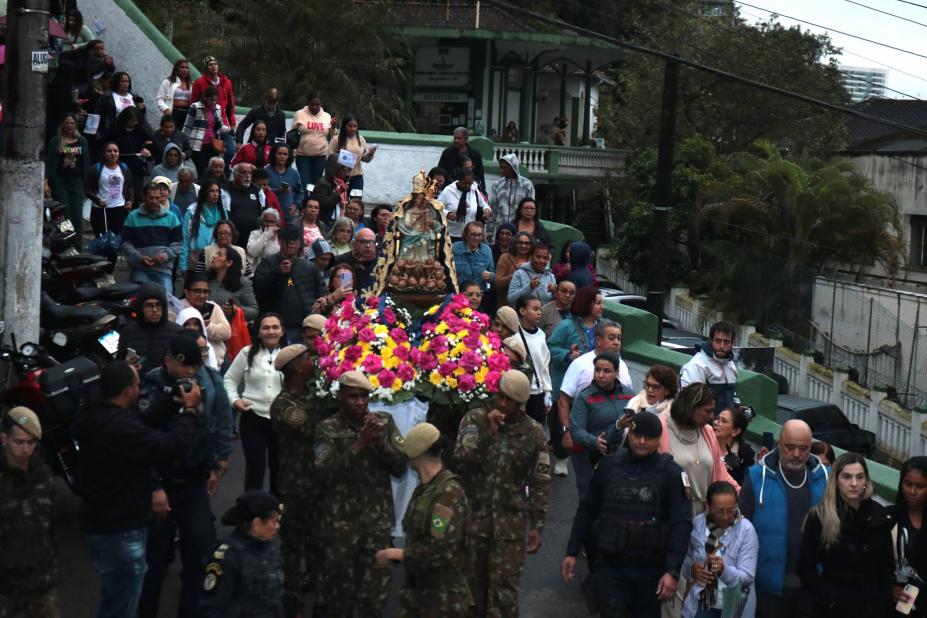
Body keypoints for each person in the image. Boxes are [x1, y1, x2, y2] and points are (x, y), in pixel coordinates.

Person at [72, 360, 199, 618]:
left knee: (114, 597)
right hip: (120, 529)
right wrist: (190, 412)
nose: (140, 388)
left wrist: (168, 402)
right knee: (121, 605)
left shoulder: (95, 415)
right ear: (126, 390)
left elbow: (139, 423)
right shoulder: (118, 427)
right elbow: (166, 445)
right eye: (136, 384)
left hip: (101, 522)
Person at [137, 332, 233, 618]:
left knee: (201, 554)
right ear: (169, 361)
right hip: (161, 485)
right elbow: (143, 440)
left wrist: (211, 467)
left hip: (193, 483)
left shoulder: (204, 381)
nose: (191, 374)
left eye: (194, 367)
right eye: (185, 368)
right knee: (154, 562)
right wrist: (154, 486)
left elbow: (208, 426)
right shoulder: (152, 384)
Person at [561, 411, 692, 618]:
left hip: (650, 571)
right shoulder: (607, 467)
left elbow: (681, 524)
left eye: (648, 438)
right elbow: (587, 511)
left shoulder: (672, 474)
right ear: (629, 434)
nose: (641, 441)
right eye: (637, 435)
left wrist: (672, 571)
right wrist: (572, 551)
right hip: (611, 567)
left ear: (659, 440)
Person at [453, 370, 551, 618]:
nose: (503, 404)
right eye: (501, 397)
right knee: (469, 592)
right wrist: (488, 434)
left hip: (509, 526)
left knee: (503, 595)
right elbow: (462, 460)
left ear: (522, 404)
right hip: (472, 522)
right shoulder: (474, 420)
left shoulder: (533, 432)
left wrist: (537, 523)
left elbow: (540, 480)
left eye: (511, 401)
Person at [312, 371, 408, 616]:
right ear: (339, 396)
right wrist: (360, 444)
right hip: (341, 524)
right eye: (353, 397)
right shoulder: (327, 429)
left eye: (364, 397)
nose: (360, 403)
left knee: (374, 597)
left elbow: (400, 467)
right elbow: (325, 475)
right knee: (338, 596)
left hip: (376, 523)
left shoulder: (384, 423)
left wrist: (380, 443)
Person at [375, 423, 471, 617]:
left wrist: (397, 553)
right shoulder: (426, 489)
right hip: (420, 593)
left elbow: (441, 550)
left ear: (415, 454)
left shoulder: (447, 493)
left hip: (441, 600)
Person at [738, 419, 827, 618]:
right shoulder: (755, 478)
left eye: (803, 449)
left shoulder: (825, 480)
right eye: (790, 447)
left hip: (811, 586)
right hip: (766, 587)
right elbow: (739, 529)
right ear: (779, 444)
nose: (796, 454)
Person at [798, 453, 893, 618]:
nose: (854, 483)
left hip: (871, 607)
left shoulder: (879, 515)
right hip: (834, 608)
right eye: (847, 477)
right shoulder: (820, 516)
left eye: (860, 477)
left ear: (866, 480)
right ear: (836, 480)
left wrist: (882, 600)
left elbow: (886, 567)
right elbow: (805, 567)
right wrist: (829, 600)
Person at [269, 345, 325, 613]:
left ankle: (315, 582)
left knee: (320, 538)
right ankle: (291, 595)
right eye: (307, 359)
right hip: (296, 483)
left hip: (320, 480)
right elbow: (309, 426)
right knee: (293, 542)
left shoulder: (315, 393)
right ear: (295, 367)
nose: (313, 361)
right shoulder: (283, 404)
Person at [0, 408, 60, 618]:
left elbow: (50, 524)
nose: (25, 449)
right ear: (4, 438)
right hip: (5, 587)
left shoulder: (43, 476)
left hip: (41, 581)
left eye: (31, 442)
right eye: (19, 442)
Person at [224, 313, 285, 493]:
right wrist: (234, 400)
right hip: (253, 418)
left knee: (279, 469)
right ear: (258, 332)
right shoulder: (246, 353)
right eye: (265, 328)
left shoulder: (290, 354)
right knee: (255, 469)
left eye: (275, 327)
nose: (271, 331)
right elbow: (229, 379)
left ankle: (276, 514)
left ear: (282, 331)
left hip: (281, 419)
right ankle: (252, 516)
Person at [198, 490, 284, 617]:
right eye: (274, 521)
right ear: (257, 524)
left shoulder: (269, 548)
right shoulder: (227, 559)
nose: (277, 526)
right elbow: (211, 609)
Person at [681, 481, 759, 618]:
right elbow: (687, 560)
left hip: (732, 607)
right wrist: (693, 570)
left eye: (731, 510)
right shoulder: (697, 524)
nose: (725, 516)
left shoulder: (746, 530)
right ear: (708, 507)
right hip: (701, 603)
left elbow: (747, 577)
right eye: (719, 511)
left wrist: (724, 570)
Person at [660, 384, 739, 517]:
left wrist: (741, 492)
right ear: (691, 408)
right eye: (708, 411)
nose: (712, 416)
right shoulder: (661, 429)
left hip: (703, 518)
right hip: (672, 516)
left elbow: (720, 473)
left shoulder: (708, 432)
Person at [569, 352, 632, 494]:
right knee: (590, 498)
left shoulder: (629, 395)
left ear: (617, 372)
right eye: (597, 370)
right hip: (590, 458)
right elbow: (576, 429)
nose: (600, 375)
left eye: (607, 371)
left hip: (621, 457)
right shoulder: (585, 397)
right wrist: (594, 442)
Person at [253, 226, 328, 343]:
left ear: (299, 244)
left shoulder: (309, 266)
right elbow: (258, 289)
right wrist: (277, 272)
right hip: (276, 326)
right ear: (280, 242)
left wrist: (323, 299)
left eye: (295, 242)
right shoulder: (267, 263)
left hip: (304, 324)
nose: (292, 245)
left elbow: (322, 290)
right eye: (288, 242)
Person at [121, 182, 182, 290]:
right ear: (144, 197)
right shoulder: (133, 217)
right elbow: (126, 243)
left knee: (167, 301)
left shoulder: (171, 217)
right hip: (140, 268)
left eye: (157, 198)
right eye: (151, 198)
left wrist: (165, 255)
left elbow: (178, 243)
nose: (154, 201)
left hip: (163, 269)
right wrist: (138, 257)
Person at [117, 283, 184, 375]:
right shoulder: (128, 332)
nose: (155, 309)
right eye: (149, 305)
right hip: (137, 384)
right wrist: (127, 365)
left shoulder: (178, 332)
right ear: (141, 308)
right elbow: (118, 364)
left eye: (158, 304)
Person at [46, 114, 90, 246]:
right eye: (67, 123)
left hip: (76, 181)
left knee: (76, 214)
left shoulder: (82, 141)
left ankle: (77, 245)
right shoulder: (55, 141)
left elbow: (86, 164)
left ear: (75, 125)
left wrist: (87, 184)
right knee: (64, 213)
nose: (69, 126)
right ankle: (66, 242)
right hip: (60, 181)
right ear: (62, 125)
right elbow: (50, 164)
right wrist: (46, 182)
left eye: (72, 123)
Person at [893, 457, 927, 617]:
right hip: (898, 605)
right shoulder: (888, 519)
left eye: (920, 486)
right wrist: (890, 588)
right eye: (908, 484)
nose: (912, 491)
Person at [680, 320, 739, 414]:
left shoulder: (730, 364)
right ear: (711, 340)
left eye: (726, 342)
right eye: (718, 341)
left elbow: (730, 394)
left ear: (733, 343)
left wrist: (737, 408)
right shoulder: (697, 365)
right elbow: (691, 402)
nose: (722, 346)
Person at [515, 295, 553, 426]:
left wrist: (547, 393)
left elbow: (544, 366)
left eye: (540, 309)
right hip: (518, 392)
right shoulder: (514, 334)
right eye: (535, 309)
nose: (539, 313)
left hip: (537, 393)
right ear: (522, 311)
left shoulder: (541, 335)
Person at [179, 272, 232, 365]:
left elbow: (226, 332)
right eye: (197, 291)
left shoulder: (213, 306)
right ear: (186, 292)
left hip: (218, 359)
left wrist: (204, 327)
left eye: (205, 291)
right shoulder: (177, 308)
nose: (202, 295)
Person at [190, 56, 237, 160]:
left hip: (223, 122)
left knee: (230, 150)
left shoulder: (226, 82)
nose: (213, 66)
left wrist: (232, 123)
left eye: (215, 64)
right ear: (206, 67)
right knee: (210, 153)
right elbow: (194, 103)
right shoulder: (199, 83)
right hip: (207, 123)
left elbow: (230, 105)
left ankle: (223, 172)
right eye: (210, 65)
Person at [85, 141, 134, 239]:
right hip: (100, 210)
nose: (113, 153)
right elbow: (87, 189)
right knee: (102, 240)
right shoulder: (96, 169)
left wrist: (130, 200)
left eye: (115, 151)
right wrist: (97, 200)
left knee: (118, 239)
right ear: (104, 153)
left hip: (119, 209)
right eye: (109, 151)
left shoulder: (124, 168)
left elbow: (130, 186)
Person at [105, 106, 154, 201]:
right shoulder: (115, 130)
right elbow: (104, 144)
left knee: (136, 196)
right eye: (130, 121)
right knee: (116, 195)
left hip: (136, 169)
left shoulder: (141, 130)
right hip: (117, 168)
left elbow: (151, 144)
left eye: (135, 121)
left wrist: (147, 149)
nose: (133, 124)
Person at [181, 85, 231, 176]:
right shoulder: (195, 107)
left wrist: (227, 129)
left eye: (216, 100)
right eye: (211, 100)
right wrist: (183, 143)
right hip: (198, 145)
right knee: (202, 171)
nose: (213, 102)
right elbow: (187, 126)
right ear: (205, 97)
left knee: (213, 171)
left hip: (213, 145)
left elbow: (219, 125)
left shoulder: (217, 108)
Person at [181, 179, 226, 273]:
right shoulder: (192, 211)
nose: (215, 194)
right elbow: (185, 239)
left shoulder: (222, 212)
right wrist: (183, 265)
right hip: (196, 258)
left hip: (217, 257)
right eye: (212, 191)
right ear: (204, 192)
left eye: (217, 191)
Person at [293, 91, 335, 187]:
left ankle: (313, 201)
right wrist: (293, 151)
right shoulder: (299, 114)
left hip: (320, 156)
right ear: (308, 103)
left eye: (317, 105)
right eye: (312, 104)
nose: (315, 107)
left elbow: (331, 137)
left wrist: (333, 127)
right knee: (305, 183)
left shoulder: (327, 116)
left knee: (315, 184)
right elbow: (293, 134)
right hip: (303, 155)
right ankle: (304, 202)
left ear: (321, 104)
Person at [439, 167, 491, 243]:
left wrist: (486, 210)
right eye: (465, 183)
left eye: (470, 183)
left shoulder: (474, 190)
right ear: (459, 180)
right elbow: (436, 207)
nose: (468, 186)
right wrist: (448, 214)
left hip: (470, 235)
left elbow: (484, 205)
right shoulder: (448, 191)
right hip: (451, 235)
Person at [207, 247, 258, 321]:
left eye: (219, 255)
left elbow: (254, 310)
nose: (214, 256)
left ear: (229, 262)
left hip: (231, 329)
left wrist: (237, 310)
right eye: (216, 254)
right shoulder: (206, 279)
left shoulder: (242, 282)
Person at [329, 115, 377, 192]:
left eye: (355, 126)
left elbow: (364, 159)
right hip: (340, 177)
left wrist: (370, 154)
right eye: (350, 126)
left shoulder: (360, 139)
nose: (353, 128)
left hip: (357, 177)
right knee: (342, 202)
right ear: (344, 126)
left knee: (356, 201)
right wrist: (347, 161)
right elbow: (329, 157)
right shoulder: (336, 139)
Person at [713, 406, 756, 486]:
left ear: (735, 431)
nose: (716, 423)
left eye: (723, 421)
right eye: (717, 418)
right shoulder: (706, 444)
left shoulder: (746, 454)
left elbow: (744, 484)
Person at [225, 163, 266, 244]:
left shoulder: (258, 191)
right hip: (232, 239)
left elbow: (264, 212)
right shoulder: (225, 190)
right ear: (235, 174)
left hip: (253, 239)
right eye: (244, 172)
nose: (247, 176)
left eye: (250, 173)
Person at [453, 220, 495, 297]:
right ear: (466, 235)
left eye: (479, 235)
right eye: (473, 234)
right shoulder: (454, 248)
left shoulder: (486, 250)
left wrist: (490, 276)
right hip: (459, 294)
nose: (476, 238)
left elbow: (493, 274)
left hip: (479, 295)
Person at [508, 241, 556, 306]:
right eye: (538, 257)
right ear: (531, 257)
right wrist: (529, 287)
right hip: (524, 315)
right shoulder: (519, 274)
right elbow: (510, 299)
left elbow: (555, 302)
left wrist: (555, 292)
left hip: (546, 315)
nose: (542, 261)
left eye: (545, 258)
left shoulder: (550, 276)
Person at [333, 227, 378, 294]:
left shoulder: (381, 262)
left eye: (371, 242)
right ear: (354, 244)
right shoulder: (340, 261)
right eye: (363, 242)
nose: (368, 246)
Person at [309, 154, 351, 224]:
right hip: (327, 222)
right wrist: (339, 192)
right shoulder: (323, 183)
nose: (346, 173)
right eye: (344, 170)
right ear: (336, 169)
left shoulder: (341, 183)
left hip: (338, 221)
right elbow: (324, 205)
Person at [266, 143, 303, 222]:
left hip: (288, 216)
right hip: (270, 217)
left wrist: (296, 205)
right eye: (279, 154)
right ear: (274, 154)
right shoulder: (266, 171)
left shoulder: (294, 173)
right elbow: (261, 191)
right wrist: (277, 190)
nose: (282, 156)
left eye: (285, 154)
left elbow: (300, 192)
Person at [156, 58, 193, 130]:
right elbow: (159, 99)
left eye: (187, 68)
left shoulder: (191, 85)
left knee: (183, 137)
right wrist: (166, 109)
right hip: (172, 113)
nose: (185, 70)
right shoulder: (168, 82)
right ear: (176, 69)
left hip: (186, 115)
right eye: (182, 67)